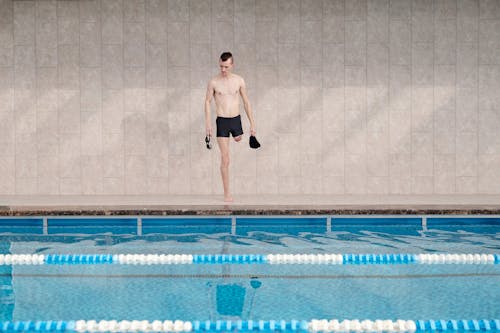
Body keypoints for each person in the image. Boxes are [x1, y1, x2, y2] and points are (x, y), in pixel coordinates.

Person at [204, 52, 256, 202]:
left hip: (236, 119)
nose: (223, 70)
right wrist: (208, 124)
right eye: (221, 66)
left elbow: (246, 102)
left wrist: (252, 124)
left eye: (226, 67)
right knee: (225, 158)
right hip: (222, 121)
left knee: (239, 138)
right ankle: (227, 193)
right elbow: (207, 102)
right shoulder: (214, 82)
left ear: (232, 65)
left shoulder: (239, 81)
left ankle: (237, 134)